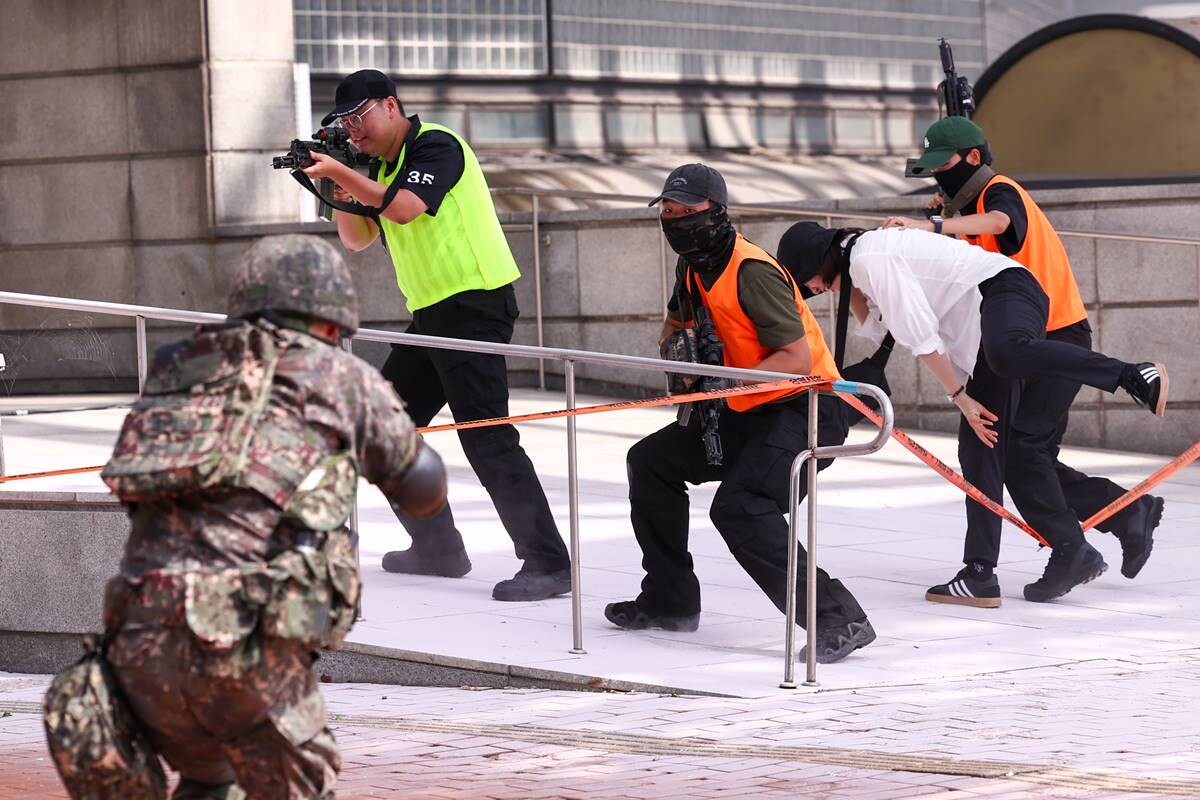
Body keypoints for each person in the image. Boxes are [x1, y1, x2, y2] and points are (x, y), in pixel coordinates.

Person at [89, 235, 448, 799]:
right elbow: (424, 490)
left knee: (209, 778)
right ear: (332, 318)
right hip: (245, 653)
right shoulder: (339, 375)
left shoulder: (176, 367)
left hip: (135, 649)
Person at [776, 220, 1168, 606]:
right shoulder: (865, 265)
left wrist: (958, 394)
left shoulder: (868, 257)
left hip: (1005, 289)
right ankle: (990, 571)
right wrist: (848, 289)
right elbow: (884, 330)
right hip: (983, 335)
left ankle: (1132, 375)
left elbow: (918, 333)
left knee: (1008, 355)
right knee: (982, 446)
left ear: (820, 259)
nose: (813, 289)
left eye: (808, 280)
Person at [300, 68, 571, 601]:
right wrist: (329, 183)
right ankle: (439, 550)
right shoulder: (379, 167)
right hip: (431, 314)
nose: (354, 133)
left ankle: (549, 563)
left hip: (476, 304)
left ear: (391, 106)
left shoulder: (437, 145)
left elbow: (403, 208)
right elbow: (356, 238)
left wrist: (345, 173)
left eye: (359, 119)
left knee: (486, 435)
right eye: (343, 126)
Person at [882, 116, 1164, 606]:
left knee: (1024, 453)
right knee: (1022, 455)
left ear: (973, 158)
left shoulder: (999, 189)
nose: (936, 178)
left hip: (1054, 336)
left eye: (942, 166)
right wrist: (947, 217)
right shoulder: (965, 207)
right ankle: (1124, 514)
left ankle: (1074, 548)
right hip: (1024, 337)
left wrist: (935, 223)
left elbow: (1001, 223)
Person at [604, 164, 875, 665]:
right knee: (650, 460)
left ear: (717, 213)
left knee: (740, 505)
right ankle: (670, 601)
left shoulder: (751, 271)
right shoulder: (692, 267)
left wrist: (720, 381)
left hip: (804, 405)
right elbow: (674, 325)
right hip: (744, 407)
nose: (676, 220)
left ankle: (839, 618)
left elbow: (794, 361)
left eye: (688, 211)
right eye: (668, 211)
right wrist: (681, 355)